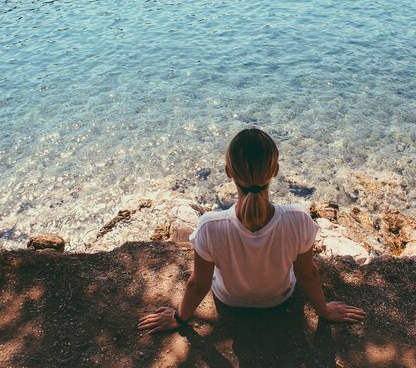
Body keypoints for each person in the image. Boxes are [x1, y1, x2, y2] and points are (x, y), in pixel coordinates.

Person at [138, 128, 366, 333]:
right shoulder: (298, 218)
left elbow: (199, 285)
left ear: (228, 172)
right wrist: (324, 311)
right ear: (275, 171)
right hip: (279, 299)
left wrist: (179, 318)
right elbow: (308, 275)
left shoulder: (209, 226)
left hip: (229, 299)